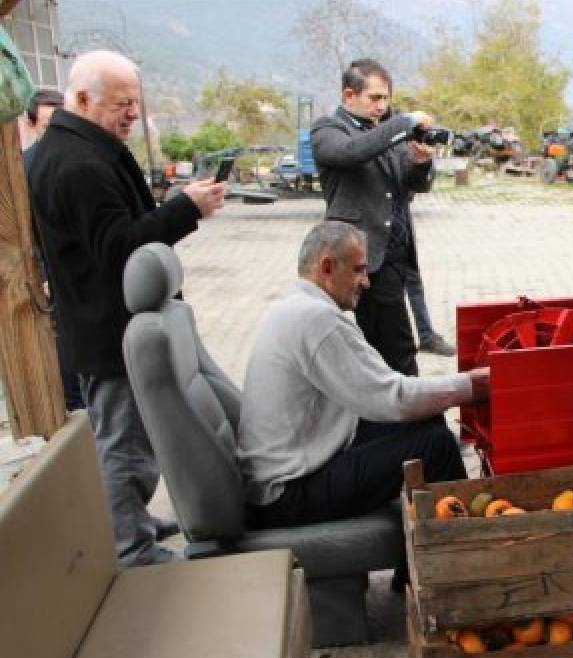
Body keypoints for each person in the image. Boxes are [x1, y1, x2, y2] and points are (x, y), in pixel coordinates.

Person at [28, 50, 226, 566]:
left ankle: (131, 519)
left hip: (110, 325)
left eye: (135, 103)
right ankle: (130, 549)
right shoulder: (77, 164)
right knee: (123, 447)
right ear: (83, 98)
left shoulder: (88, 148)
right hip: (108, 331)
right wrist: (186, 210)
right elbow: (121, 251)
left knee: (133, 439)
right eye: (122, 103)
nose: (133, 114)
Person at [237, 221, 488, 532]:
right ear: (327, 267)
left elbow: (383, 393)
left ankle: (416, 565)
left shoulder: (295, 307)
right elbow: (394, 399)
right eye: (358, 270)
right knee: (435, 444)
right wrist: (473, 386)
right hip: (287, 496)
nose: (366, 282)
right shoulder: (316, 320)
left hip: (295, 470)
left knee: (428, 423)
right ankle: (463, 553)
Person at [311, 58, 454, 376]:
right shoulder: (328, 129)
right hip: (363, 255)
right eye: (374, 98)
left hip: (397, 251)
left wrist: (419, 162)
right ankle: (409, 416)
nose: (382, 106)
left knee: (383, 344)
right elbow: (353, 153)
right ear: (349, 96)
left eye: (386, 98)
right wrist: (404, 123)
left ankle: (384, 412)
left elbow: (414, 186)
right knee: (395, 345)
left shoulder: (384, 133)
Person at [19, 88, 82, 412]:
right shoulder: (21, 169)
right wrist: (41, 274)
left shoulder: (79, 160)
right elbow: (23, 232)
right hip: (47, 277)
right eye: (47, 125)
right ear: (31, 125)